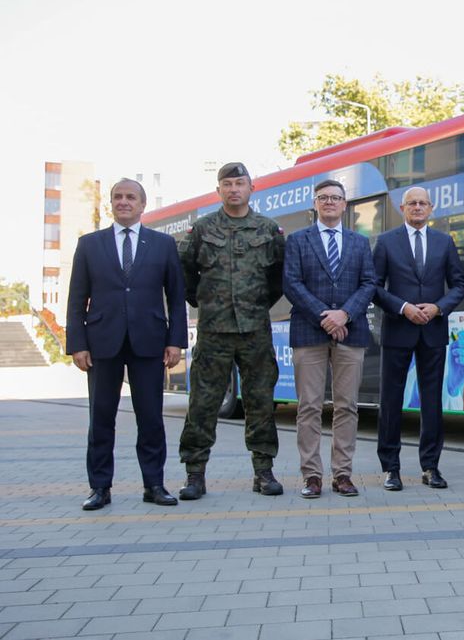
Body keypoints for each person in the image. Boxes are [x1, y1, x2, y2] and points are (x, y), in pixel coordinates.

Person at [66, 179, 188, 510]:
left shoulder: (163, 245)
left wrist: (176, 341)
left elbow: (176, 298)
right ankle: (100, 489)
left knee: (150, 418)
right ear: (111, 203)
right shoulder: (89, 245)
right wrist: (77, 344)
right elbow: (77, 299)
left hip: (149, 343)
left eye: (130, 197)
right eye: (117, 197)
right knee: (101, 418)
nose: (123, 202)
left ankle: (154, 485)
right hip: (102, 343)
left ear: (142, 204)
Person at [177, 162, 286, 499]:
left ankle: (264, 472)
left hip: (255, 331)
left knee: (260, 402)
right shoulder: (202, 229)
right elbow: (184, 276)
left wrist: (254, 304)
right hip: (214, 332)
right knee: (203, 404)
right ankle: (195, 474)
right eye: (228, 184)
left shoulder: (268, 230)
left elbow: (279, 279)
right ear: (219, 191)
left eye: (240, 183)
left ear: (252, 188)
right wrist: (209, 303)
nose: (234, 189)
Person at [283, 179, 376, 499]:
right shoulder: (297, 240)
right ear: (315, 204)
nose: (330, 203)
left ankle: (343, 474)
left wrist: (344, 315)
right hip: (309, 332)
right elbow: (292, 284)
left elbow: (368, 284)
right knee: (308, 406)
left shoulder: (359, 242)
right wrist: (326, 316)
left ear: (345, 204)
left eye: (336, 198)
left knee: (347, 406)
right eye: (323, 198)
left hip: (351, 331)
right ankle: (311, 475)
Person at [372, 187, 464, 490]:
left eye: (422, 203)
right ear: (402, 208)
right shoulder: (386, 242)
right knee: (391, 402)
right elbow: (373, 286)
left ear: (431, 208)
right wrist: (403, 307)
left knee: (431, 403)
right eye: (411, 203)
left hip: (433, 332)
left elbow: (459, 285)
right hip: (398, 330)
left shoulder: (444, 242)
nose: (417, 207)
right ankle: (391, 469)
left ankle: (431, 467)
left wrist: (439, 307)